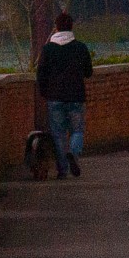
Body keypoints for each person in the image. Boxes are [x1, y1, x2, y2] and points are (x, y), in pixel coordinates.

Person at [35, 11, 93, 179]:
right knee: (77, 130)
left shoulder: (48, 49)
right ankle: (73, 154)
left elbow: (41, 74)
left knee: (58, 133)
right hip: (76, 96)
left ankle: (62, 170)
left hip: (54, 98)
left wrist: (44, 92)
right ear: (71, 27)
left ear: (56, 28)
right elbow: (88, 72)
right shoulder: (80, 48)